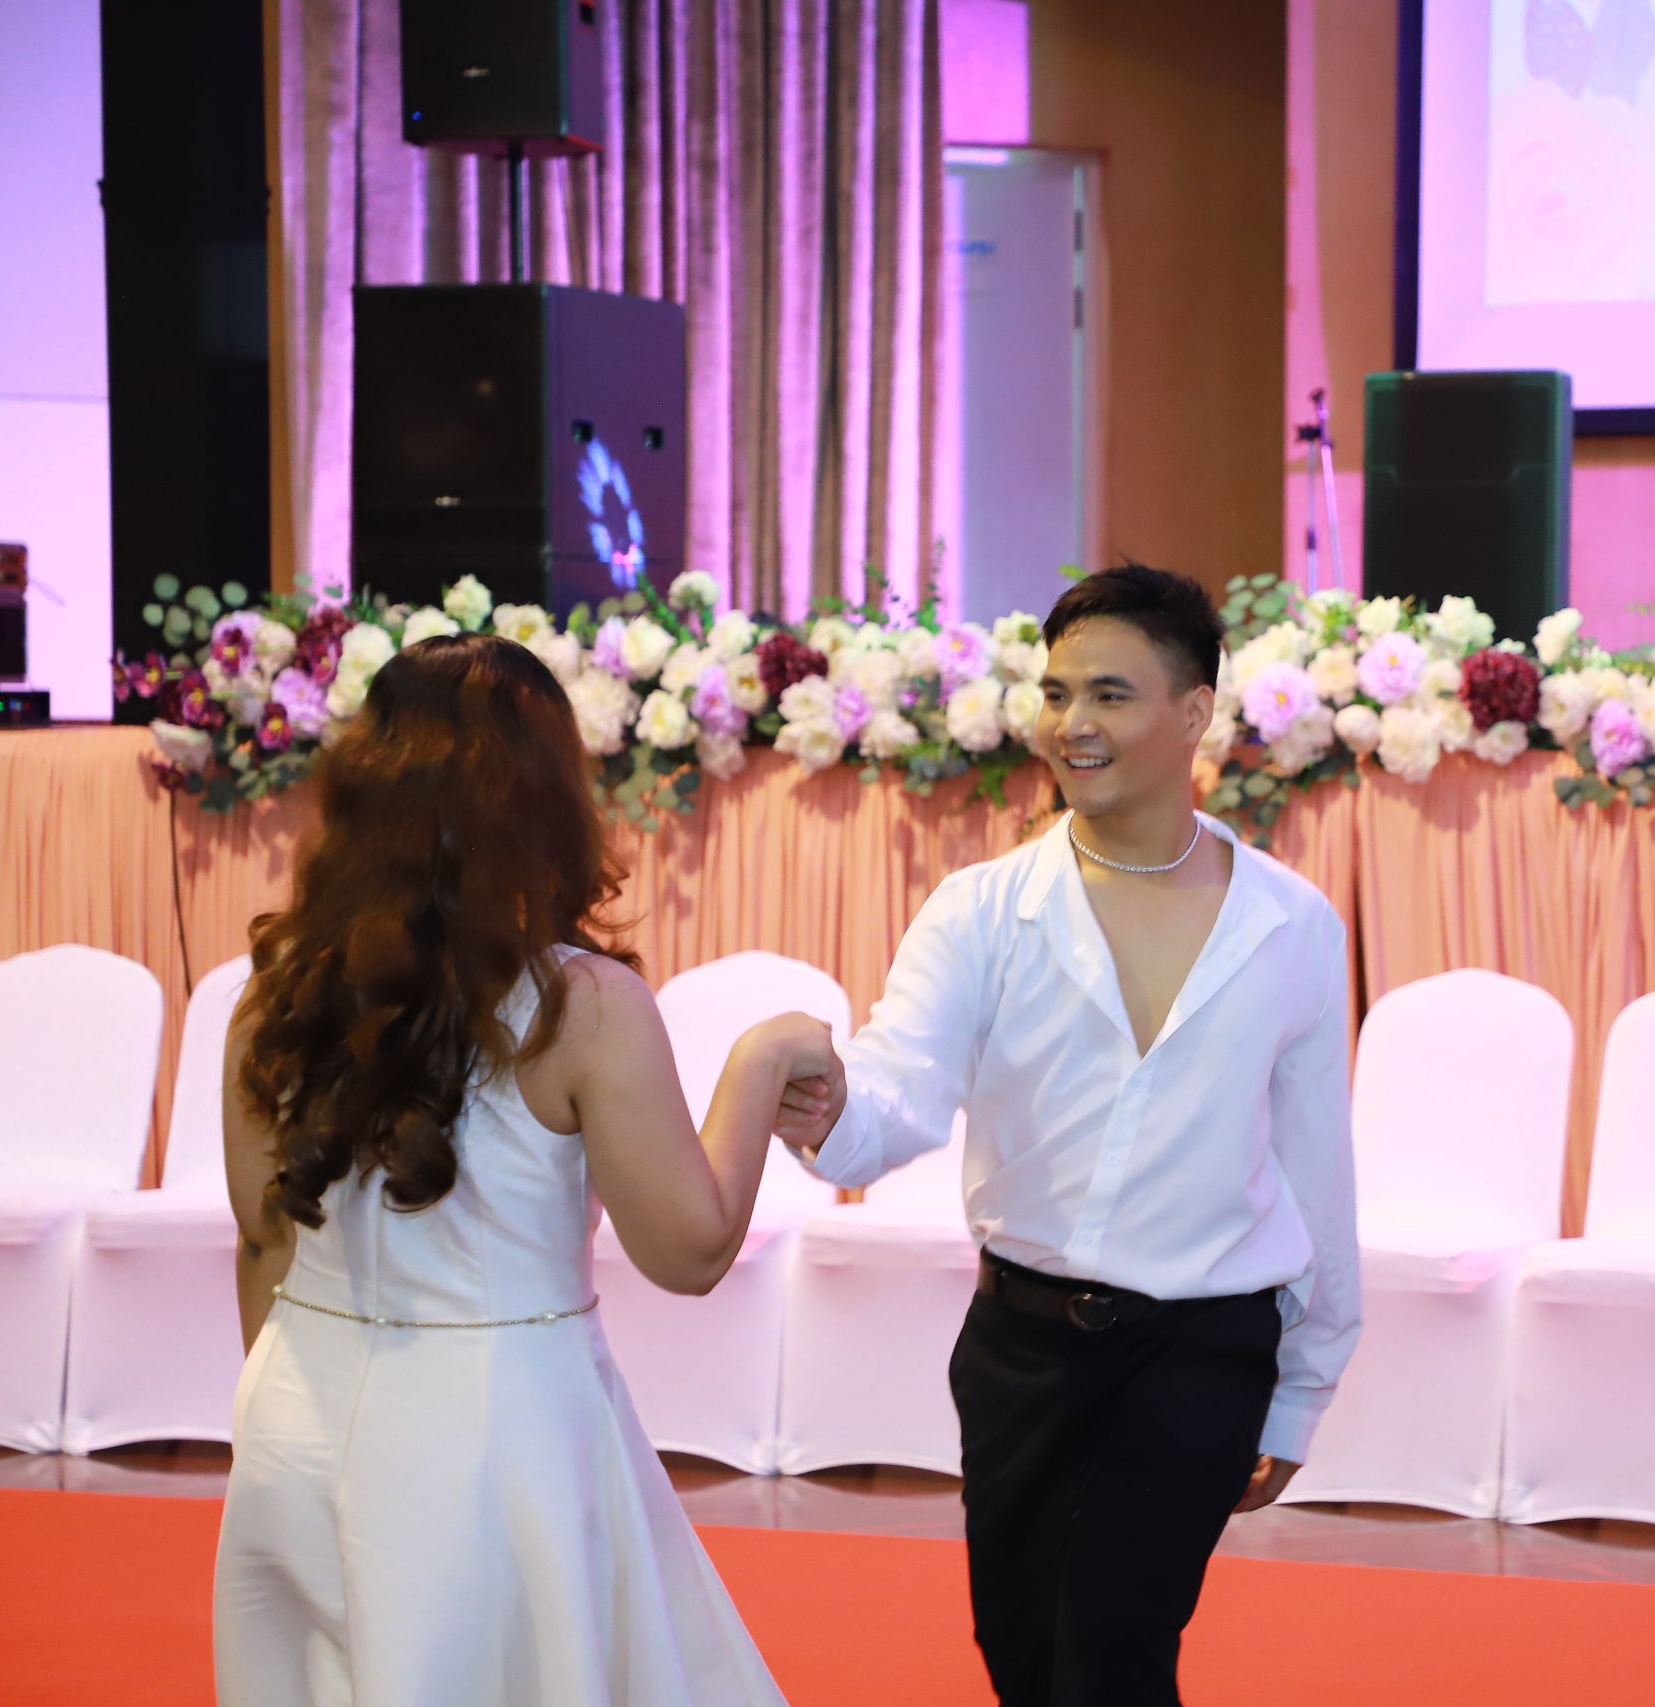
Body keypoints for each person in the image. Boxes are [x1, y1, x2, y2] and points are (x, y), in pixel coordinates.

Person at [775, 564, 1360, 1707]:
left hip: (1203, 1354)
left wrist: (1303, 1385)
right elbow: (899, 1085)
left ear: (1193, 712)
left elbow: (1315, 1172)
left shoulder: (1291, 924)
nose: (1070, 725)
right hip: (1020, 1354)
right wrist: (835, 1111)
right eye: (1055, 694)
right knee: (1025, 1657)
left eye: (1108, 695)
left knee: (1111, 1653)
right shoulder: (981, 909)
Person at [212, 632, 827, 1706]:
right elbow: (688, 1249)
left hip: (291, 1416)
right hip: (493, 1436)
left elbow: (263, 1242)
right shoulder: (579, 1005)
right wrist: (760, 1061)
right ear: (543, 797)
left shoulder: (275, 992)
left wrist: (290, 1412)